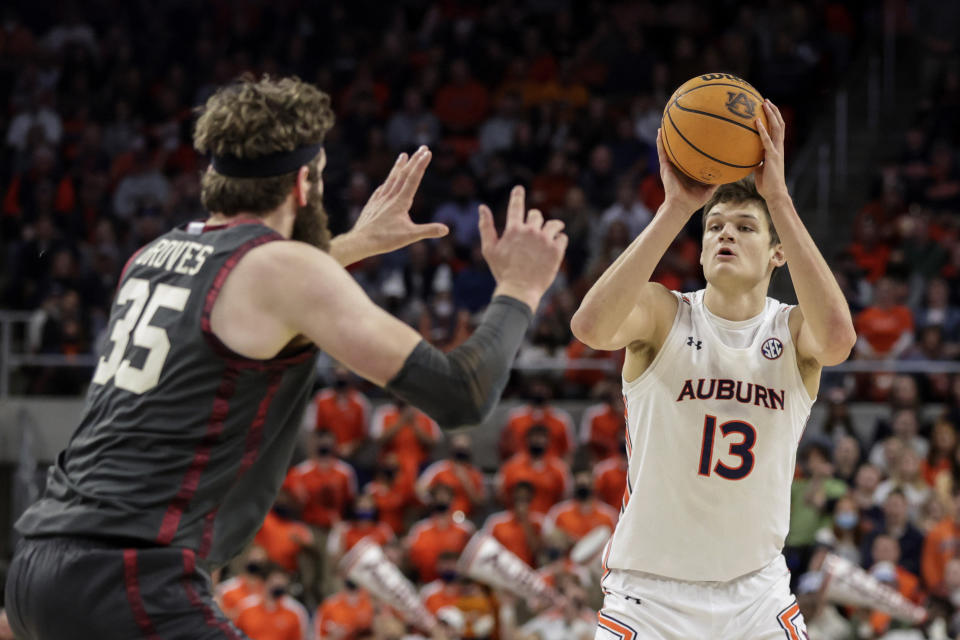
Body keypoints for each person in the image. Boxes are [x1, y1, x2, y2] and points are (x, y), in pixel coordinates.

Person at [5, 75, 567, 639]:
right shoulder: (285, 270)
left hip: (38, 569)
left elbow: (255, 294)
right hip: (129, 579)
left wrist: (356, 244)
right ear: (303, 185)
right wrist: (518, 290)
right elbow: (461, 391)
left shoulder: (154, 254)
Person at [571, 100, 856, 638]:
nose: (725, 233)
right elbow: (589, 327)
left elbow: (840, 341)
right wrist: (675, 208)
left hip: (756, 595)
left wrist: (778, 199)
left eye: (746, 227)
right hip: (649, 595)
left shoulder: (792, 332)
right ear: (700, 251)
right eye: (715, 226)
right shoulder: (663, 313)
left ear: (777, 253)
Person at [416, 432, 487, 517]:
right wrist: (435, 501)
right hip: (441, 518)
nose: (461, 451)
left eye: (464, 448)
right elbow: (420, 489)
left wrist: (466, 481)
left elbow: (480, 502)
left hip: (465, 518)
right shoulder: (439, 468)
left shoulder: (476, 473)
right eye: (459, 448)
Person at [234, 567, 309, 640]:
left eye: (282, 584)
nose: (278, 586)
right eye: (275, 582)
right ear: (265, 582)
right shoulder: (245, 606)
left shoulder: (295, 610)